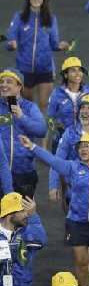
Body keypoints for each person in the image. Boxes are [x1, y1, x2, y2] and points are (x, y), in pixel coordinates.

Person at [21, 132, 89, 286]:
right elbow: (52, 160)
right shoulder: (72, 167)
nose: (83, 149)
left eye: (87, 146)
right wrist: (33, 147)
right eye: (80, 147)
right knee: (81, 263)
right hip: (77, 223)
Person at [5, 0, 69, 113]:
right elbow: (10, 40)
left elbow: (54, 44)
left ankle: (41, 127)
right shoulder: (19, 17)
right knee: (27, 105)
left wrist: (61, 46)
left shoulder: (51, 19)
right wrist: (11, 44)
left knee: (44, 105)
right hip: (24, 69)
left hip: (45, 68)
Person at [0, 68, 47, 197]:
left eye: (9, 81)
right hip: (1, 173)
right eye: (2, 81)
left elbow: (42, 130)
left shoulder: (30, 107)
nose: (3, 85)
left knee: (23, 210)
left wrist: (22, 117)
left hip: (24, 173)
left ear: (19, 86)